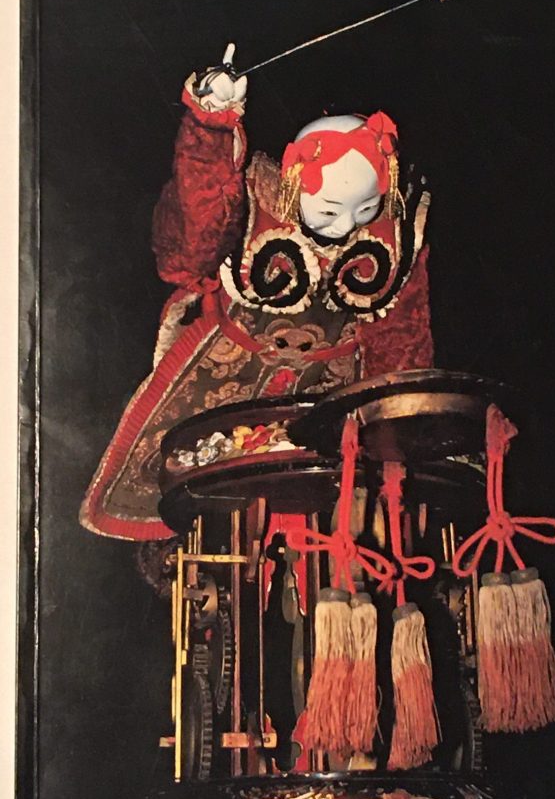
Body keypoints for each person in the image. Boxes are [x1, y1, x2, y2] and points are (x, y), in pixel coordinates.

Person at [80, 45, 433, 542]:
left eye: (364, 209)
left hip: (328, 395)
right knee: (197, 504)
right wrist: (210, 126)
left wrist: (397, 431)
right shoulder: (252, 201)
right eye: (329, 210)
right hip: (223, 376)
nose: (345, 226)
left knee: (329, 515)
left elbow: (402, 342)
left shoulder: (395, 236)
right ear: (293, 185)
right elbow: (190, 242)